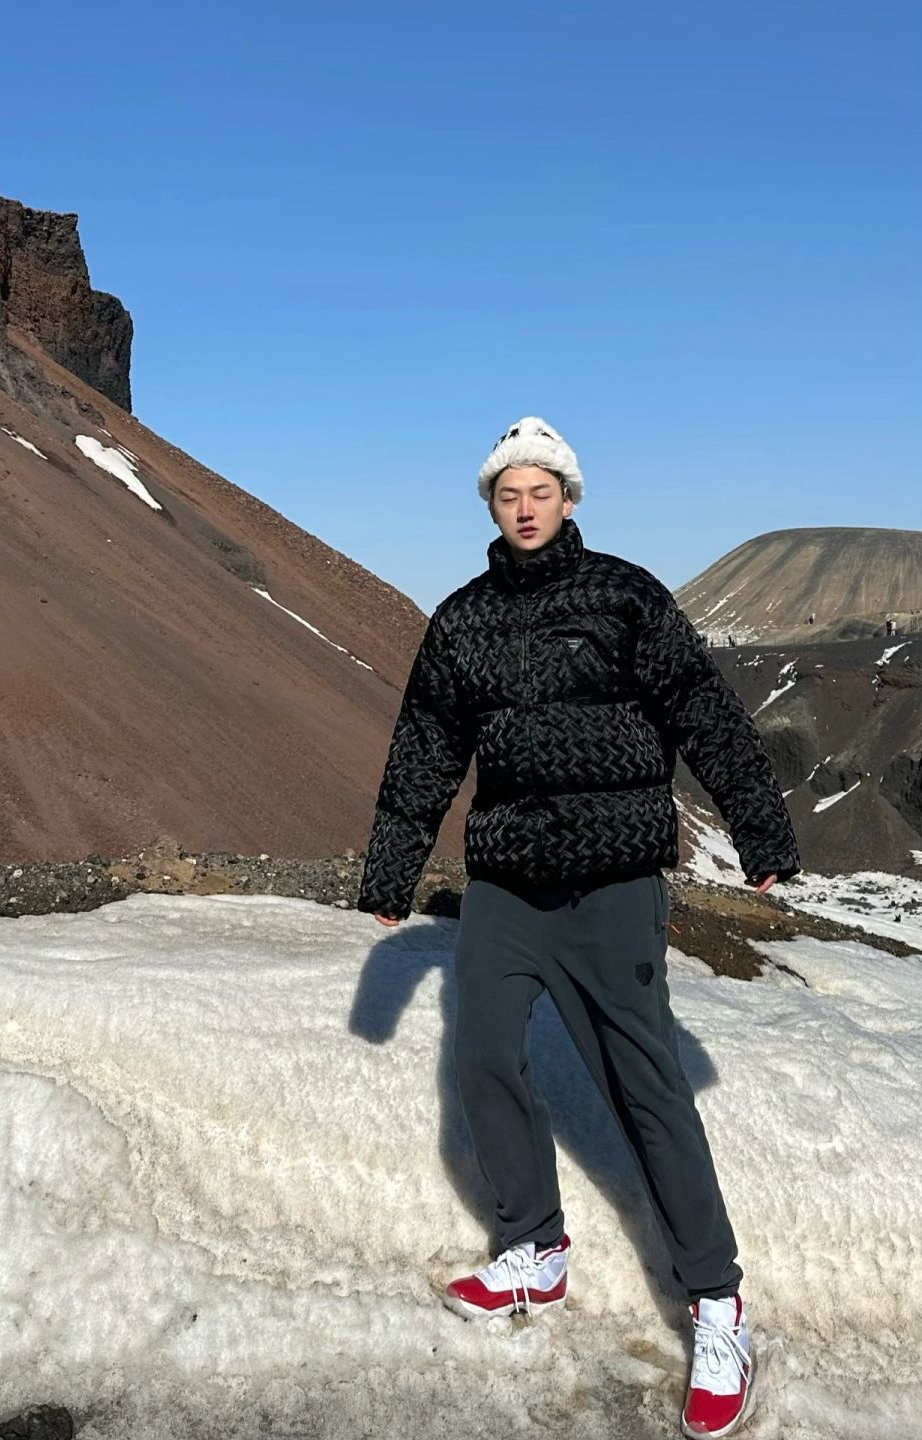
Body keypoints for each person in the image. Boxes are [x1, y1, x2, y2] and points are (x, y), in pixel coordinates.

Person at [356, 416, 801, 1439]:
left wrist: (763, 828)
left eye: (541, 491)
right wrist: (392, 867)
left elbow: (702, 710)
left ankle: (718, 1304)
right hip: (509, 881)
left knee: (645, 1087)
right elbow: (427, 743)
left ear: (570, 499)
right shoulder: (462, 620)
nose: (524, 507)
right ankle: (535, 1251)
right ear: (490, 505)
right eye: (508, 493)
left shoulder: (625, 596)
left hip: (612, 885)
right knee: (480, 1060)